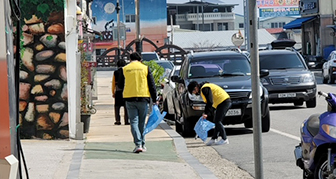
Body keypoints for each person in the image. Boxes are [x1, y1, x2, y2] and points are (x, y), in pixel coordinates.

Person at [118, 52, 157, 153]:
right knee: (141, 122)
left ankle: (138, 144)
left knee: (133, 121)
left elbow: (120, 85)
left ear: (130, 59)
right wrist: (155, 98)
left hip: (129, 98)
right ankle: (143, 144)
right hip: (143, 97)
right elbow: (152, 84)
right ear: (140, 60)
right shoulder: (145, 68)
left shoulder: (125, 69)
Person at [187, 81, 231, 146]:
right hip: (220, 102)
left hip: (224, 102)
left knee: (218, 121)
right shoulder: (204, 88)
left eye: (193, 92)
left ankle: (224, 139)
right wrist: (208, 112)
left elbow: (209, 102)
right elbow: (210, 102)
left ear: (195, 88)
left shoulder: (205, 89)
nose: (194, 93)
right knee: (216, 120)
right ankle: (214, 139)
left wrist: (206, 113)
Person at [112, 59, 129, 125]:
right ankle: (126, 121)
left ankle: (118, 120)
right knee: (126, 107)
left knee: (117, 107)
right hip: (126, 91)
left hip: (118, 91)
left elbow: (113, 83)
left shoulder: (115, 72)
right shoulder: (126, 71)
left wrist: (113, 92)